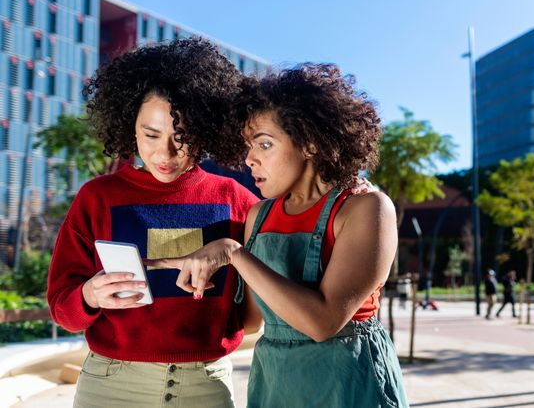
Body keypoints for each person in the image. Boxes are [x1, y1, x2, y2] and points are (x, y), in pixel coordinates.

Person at [157, 64, 409, 407]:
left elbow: (322, 322)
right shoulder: (258, 216)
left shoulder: (365, 208)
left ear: (309, 143)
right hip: (275, 384)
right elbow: (249, 321)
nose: (249, 159)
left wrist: (234, 253)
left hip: (348, 382)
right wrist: (162, 287)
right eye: (248, 145)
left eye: (264, 144)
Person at [46, 38, 261, 407]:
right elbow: (62, 309)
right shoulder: (97, 197)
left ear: (207, 131)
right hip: (110, 386)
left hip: (205, 386)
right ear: (130, 125)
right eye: (151, 135)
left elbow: (264, 303)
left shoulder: (239, 201)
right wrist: (89, 295)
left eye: (183, 137)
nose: (166, 153)